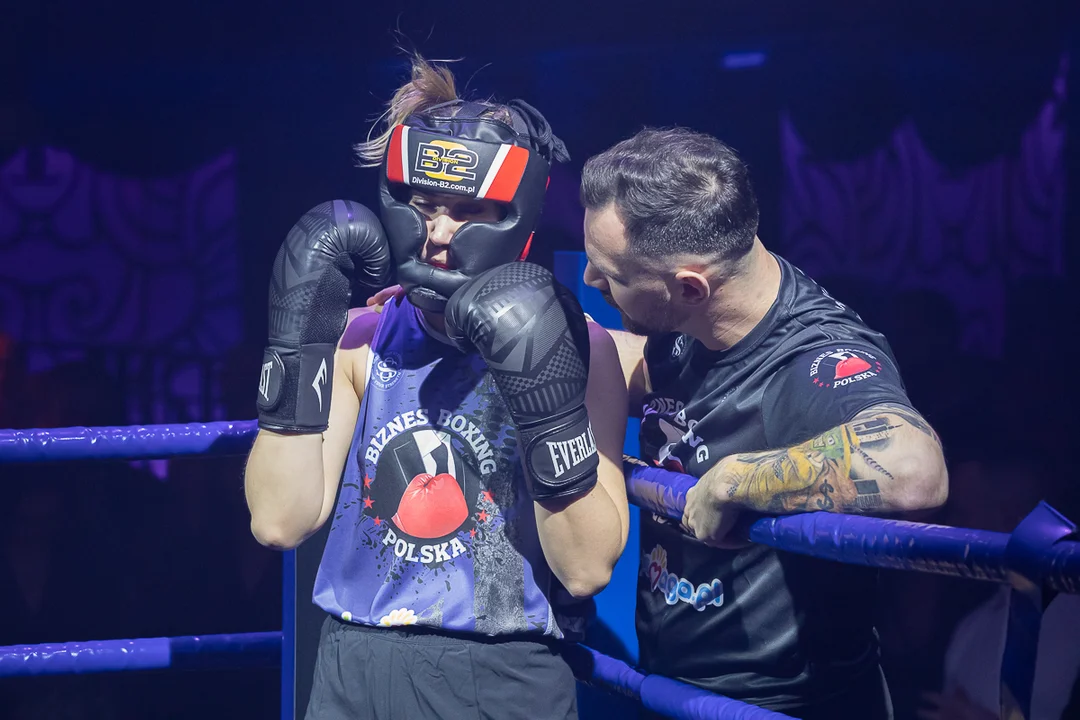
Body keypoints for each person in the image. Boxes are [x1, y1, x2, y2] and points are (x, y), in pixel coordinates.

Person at [243, 56, 630, 720]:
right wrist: (297, 340)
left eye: (468, 210)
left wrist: (545, 395)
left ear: (519, 218)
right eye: (423, 207)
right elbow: (279, 521)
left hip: (502, 672)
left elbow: (587, 568)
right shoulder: (363, 339)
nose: (438, 234)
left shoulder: (581, 348)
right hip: (352, 666)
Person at [578, 127, 950, 719]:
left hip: (784, 706)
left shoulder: (812, 360)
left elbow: (914, 468)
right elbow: (620, 363)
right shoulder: (690, 328)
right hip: (675, 688)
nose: (594, 283)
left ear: (689, 286)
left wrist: (739, 480)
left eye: (610, 274)